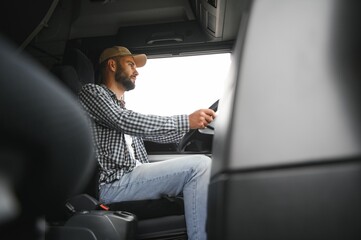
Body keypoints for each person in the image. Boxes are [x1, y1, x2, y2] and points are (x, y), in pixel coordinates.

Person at [78, 46, 216, 240]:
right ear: (111, 65)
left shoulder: (121, 106)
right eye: (131, 64)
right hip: (114, 184)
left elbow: (153, 135)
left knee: (201, 166)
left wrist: (190, 128)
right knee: (200, 166)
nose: (136, 71)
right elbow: (122, 120)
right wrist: (185, 120)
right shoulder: (92, 92)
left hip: (132, 176)